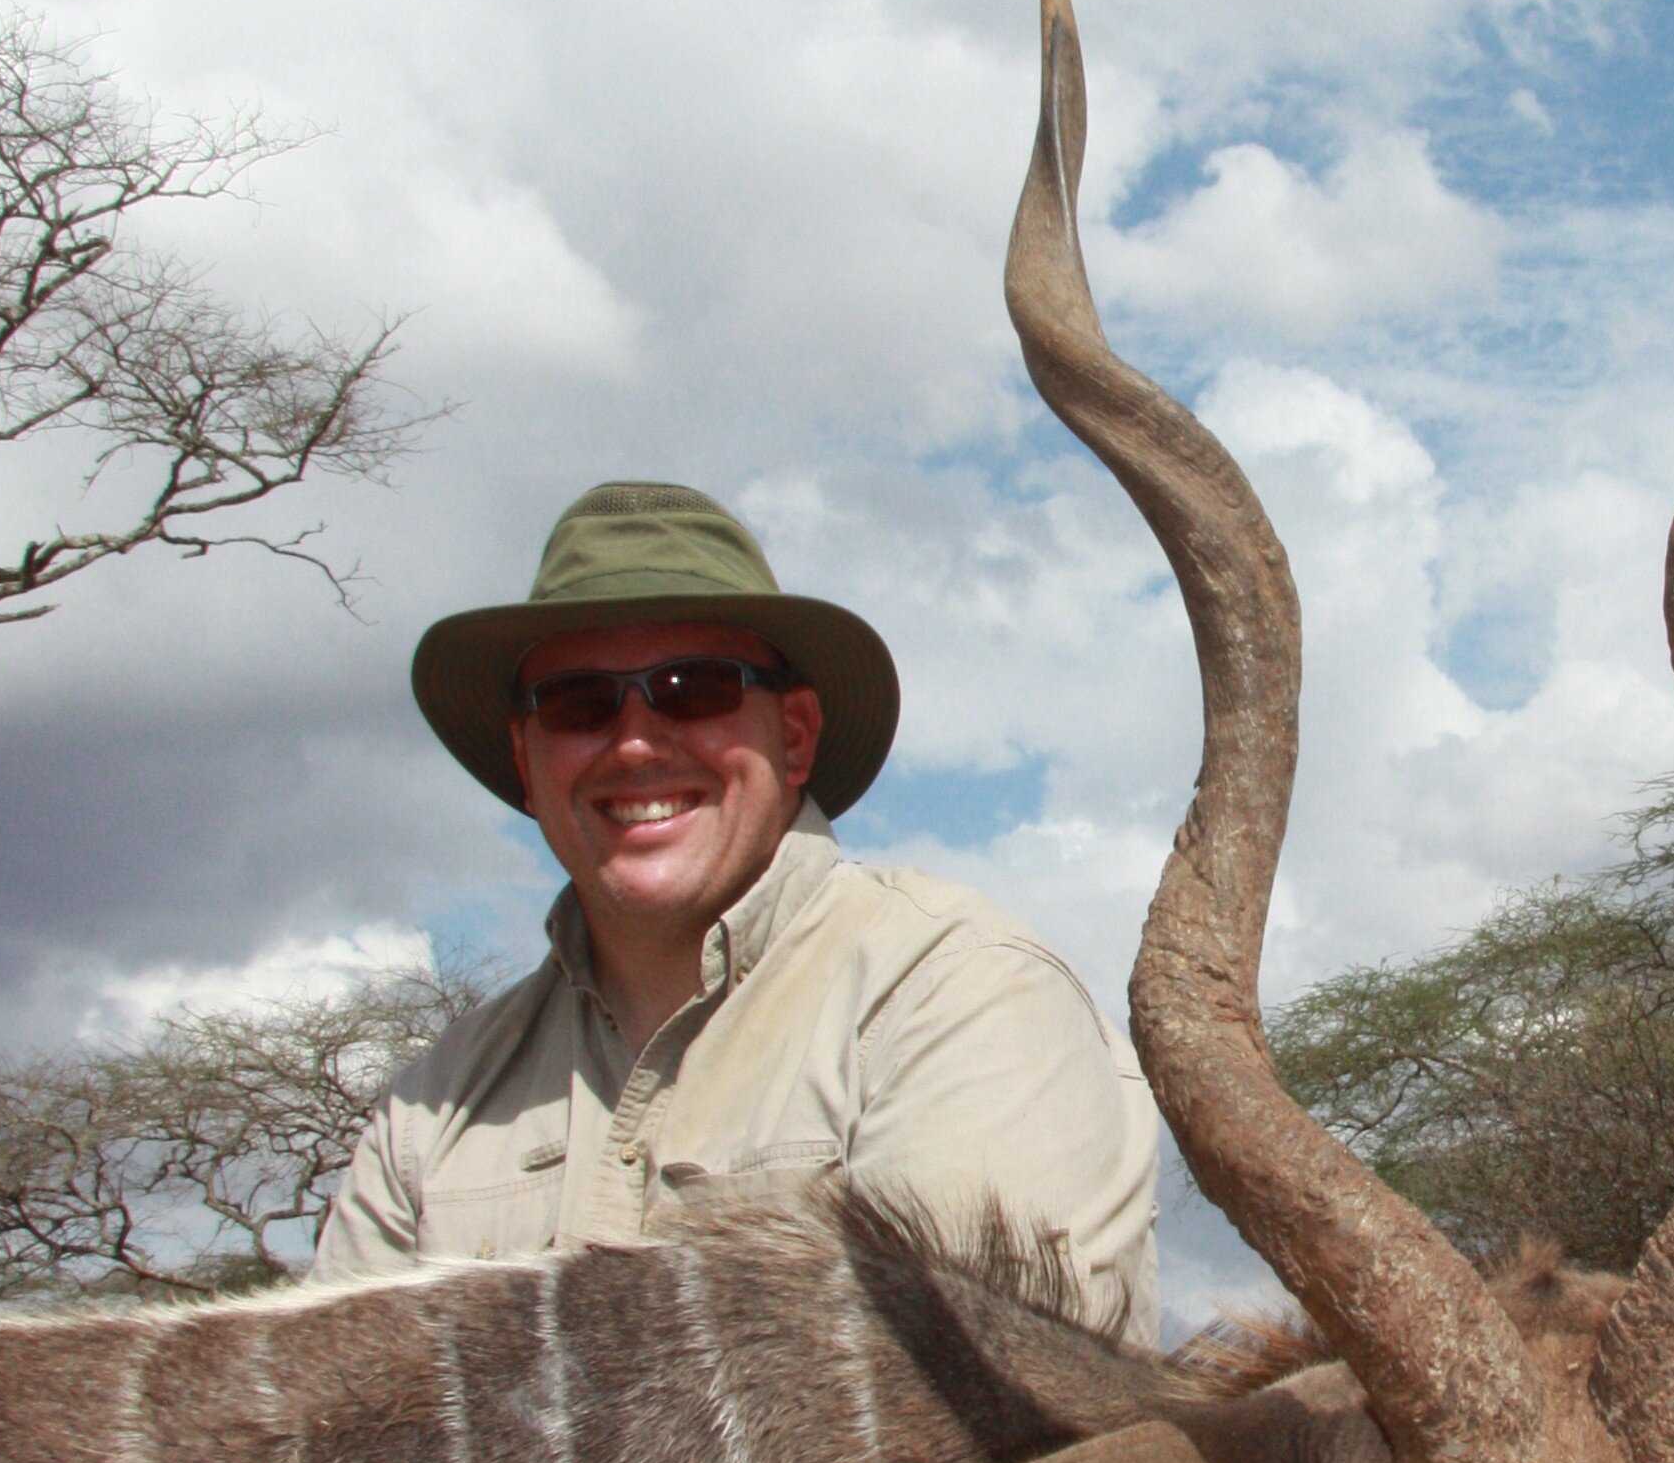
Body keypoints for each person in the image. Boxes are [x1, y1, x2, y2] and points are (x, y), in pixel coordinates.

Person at [316, 480, 1159, 1337]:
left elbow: (964, 1419)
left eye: (695, 689)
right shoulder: (434, 1107)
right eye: (579, 703)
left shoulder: (959, 994)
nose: (636, 740)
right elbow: (327, 1439)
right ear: (527, 764)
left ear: (793, 736)